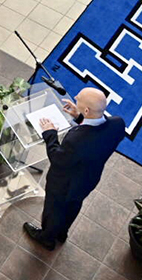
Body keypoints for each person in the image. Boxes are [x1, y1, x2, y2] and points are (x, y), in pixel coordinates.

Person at [22, 87, 126, 250]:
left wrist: (50, 133)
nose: (75, 97)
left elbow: (57, 159)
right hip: (88, 180)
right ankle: (61, 232)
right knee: (73, 206)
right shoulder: (118, 124)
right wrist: (80, 117)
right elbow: (97, 135)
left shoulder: (76, 140)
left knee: (54, 209)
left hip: (64, 183)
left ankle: (47, 237)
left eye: (78, 99)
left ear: (87, 110)